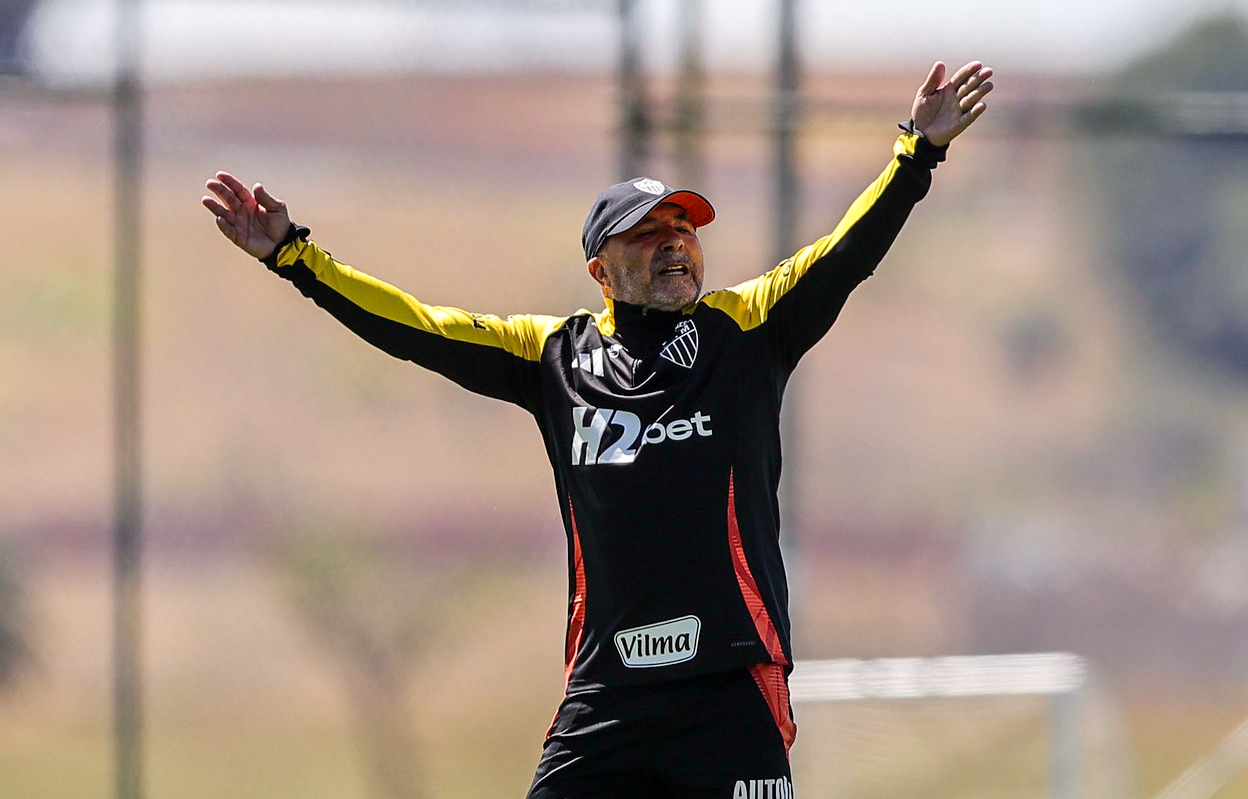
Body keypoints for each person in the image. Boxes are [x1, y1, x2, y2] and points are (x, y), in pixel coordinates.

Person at [202, 60, 992, 799]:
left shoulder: (746, 330)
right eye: (649, 233)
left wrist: (914, 153)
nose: (675, 241)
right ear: (601, 269)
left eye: (684, 227)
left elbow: (843, 254)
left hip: (730, 686)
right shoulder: (553, 356)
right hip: (608, 691)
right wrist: (295, 258)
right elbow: (418, 325)